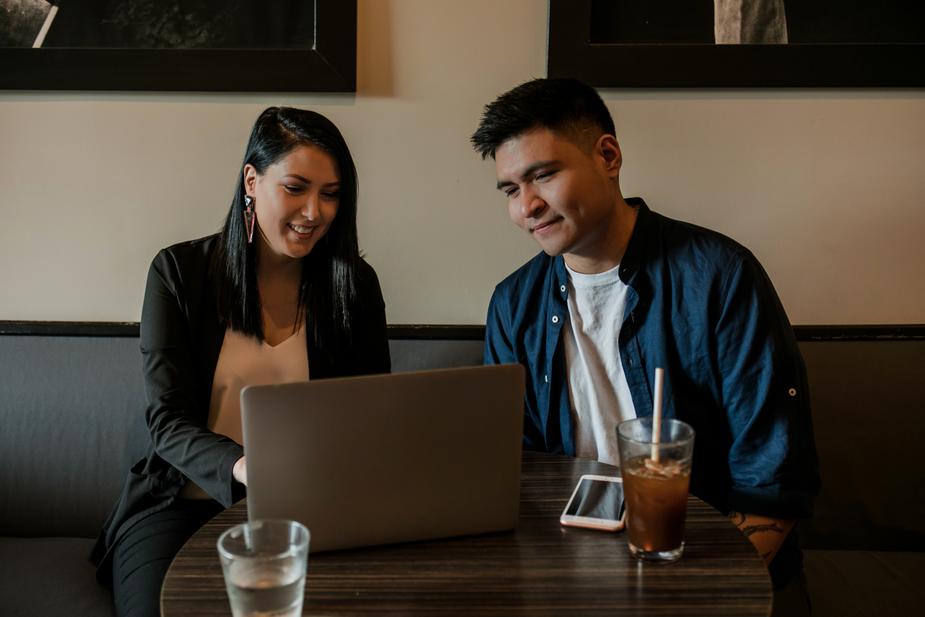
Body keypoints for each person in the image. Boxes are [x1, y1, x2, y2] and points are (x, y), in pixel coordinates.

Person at [470, 78, 819, 614]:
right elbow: (511, 470)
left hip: (710, 565)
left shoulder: (720, 276)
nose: (527, 207)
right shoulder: (513, 303)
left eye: (543, 175)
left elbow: (771, 479)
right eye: (511, 190)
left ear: (607, 155)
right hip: (570, 571)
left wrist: (692, 597)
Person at [90, 107, 391, 617]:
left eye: (331, 193)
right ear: (251, 180)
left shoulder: (354, 287)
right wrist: (247, 466)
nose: (314, 211)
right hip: (176, 504)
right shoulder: (179, 273)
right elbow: (167, 422)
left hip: (306, 509)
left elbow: (370, 413)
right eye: (296, 187)